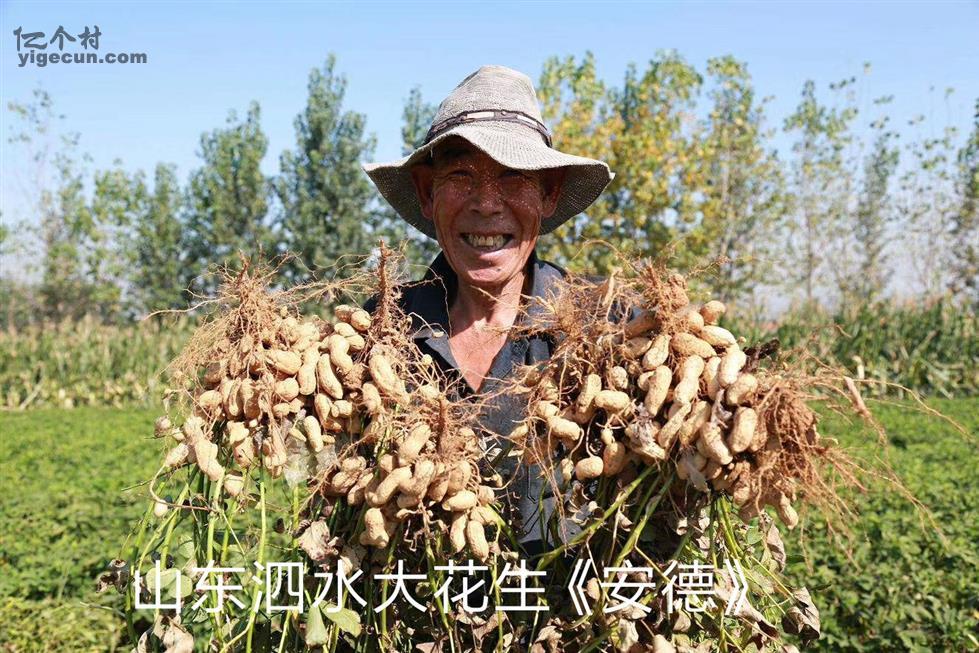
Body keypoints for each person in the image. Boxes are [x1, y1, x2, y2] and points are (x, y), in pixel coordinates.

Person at [362, 64, 614, 554]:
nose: (486, 204)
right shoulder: (379, 328)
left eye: (513, 177)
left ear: (549, 193)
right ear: (426, 192)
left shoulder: (608, 328)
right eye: (461, 176)